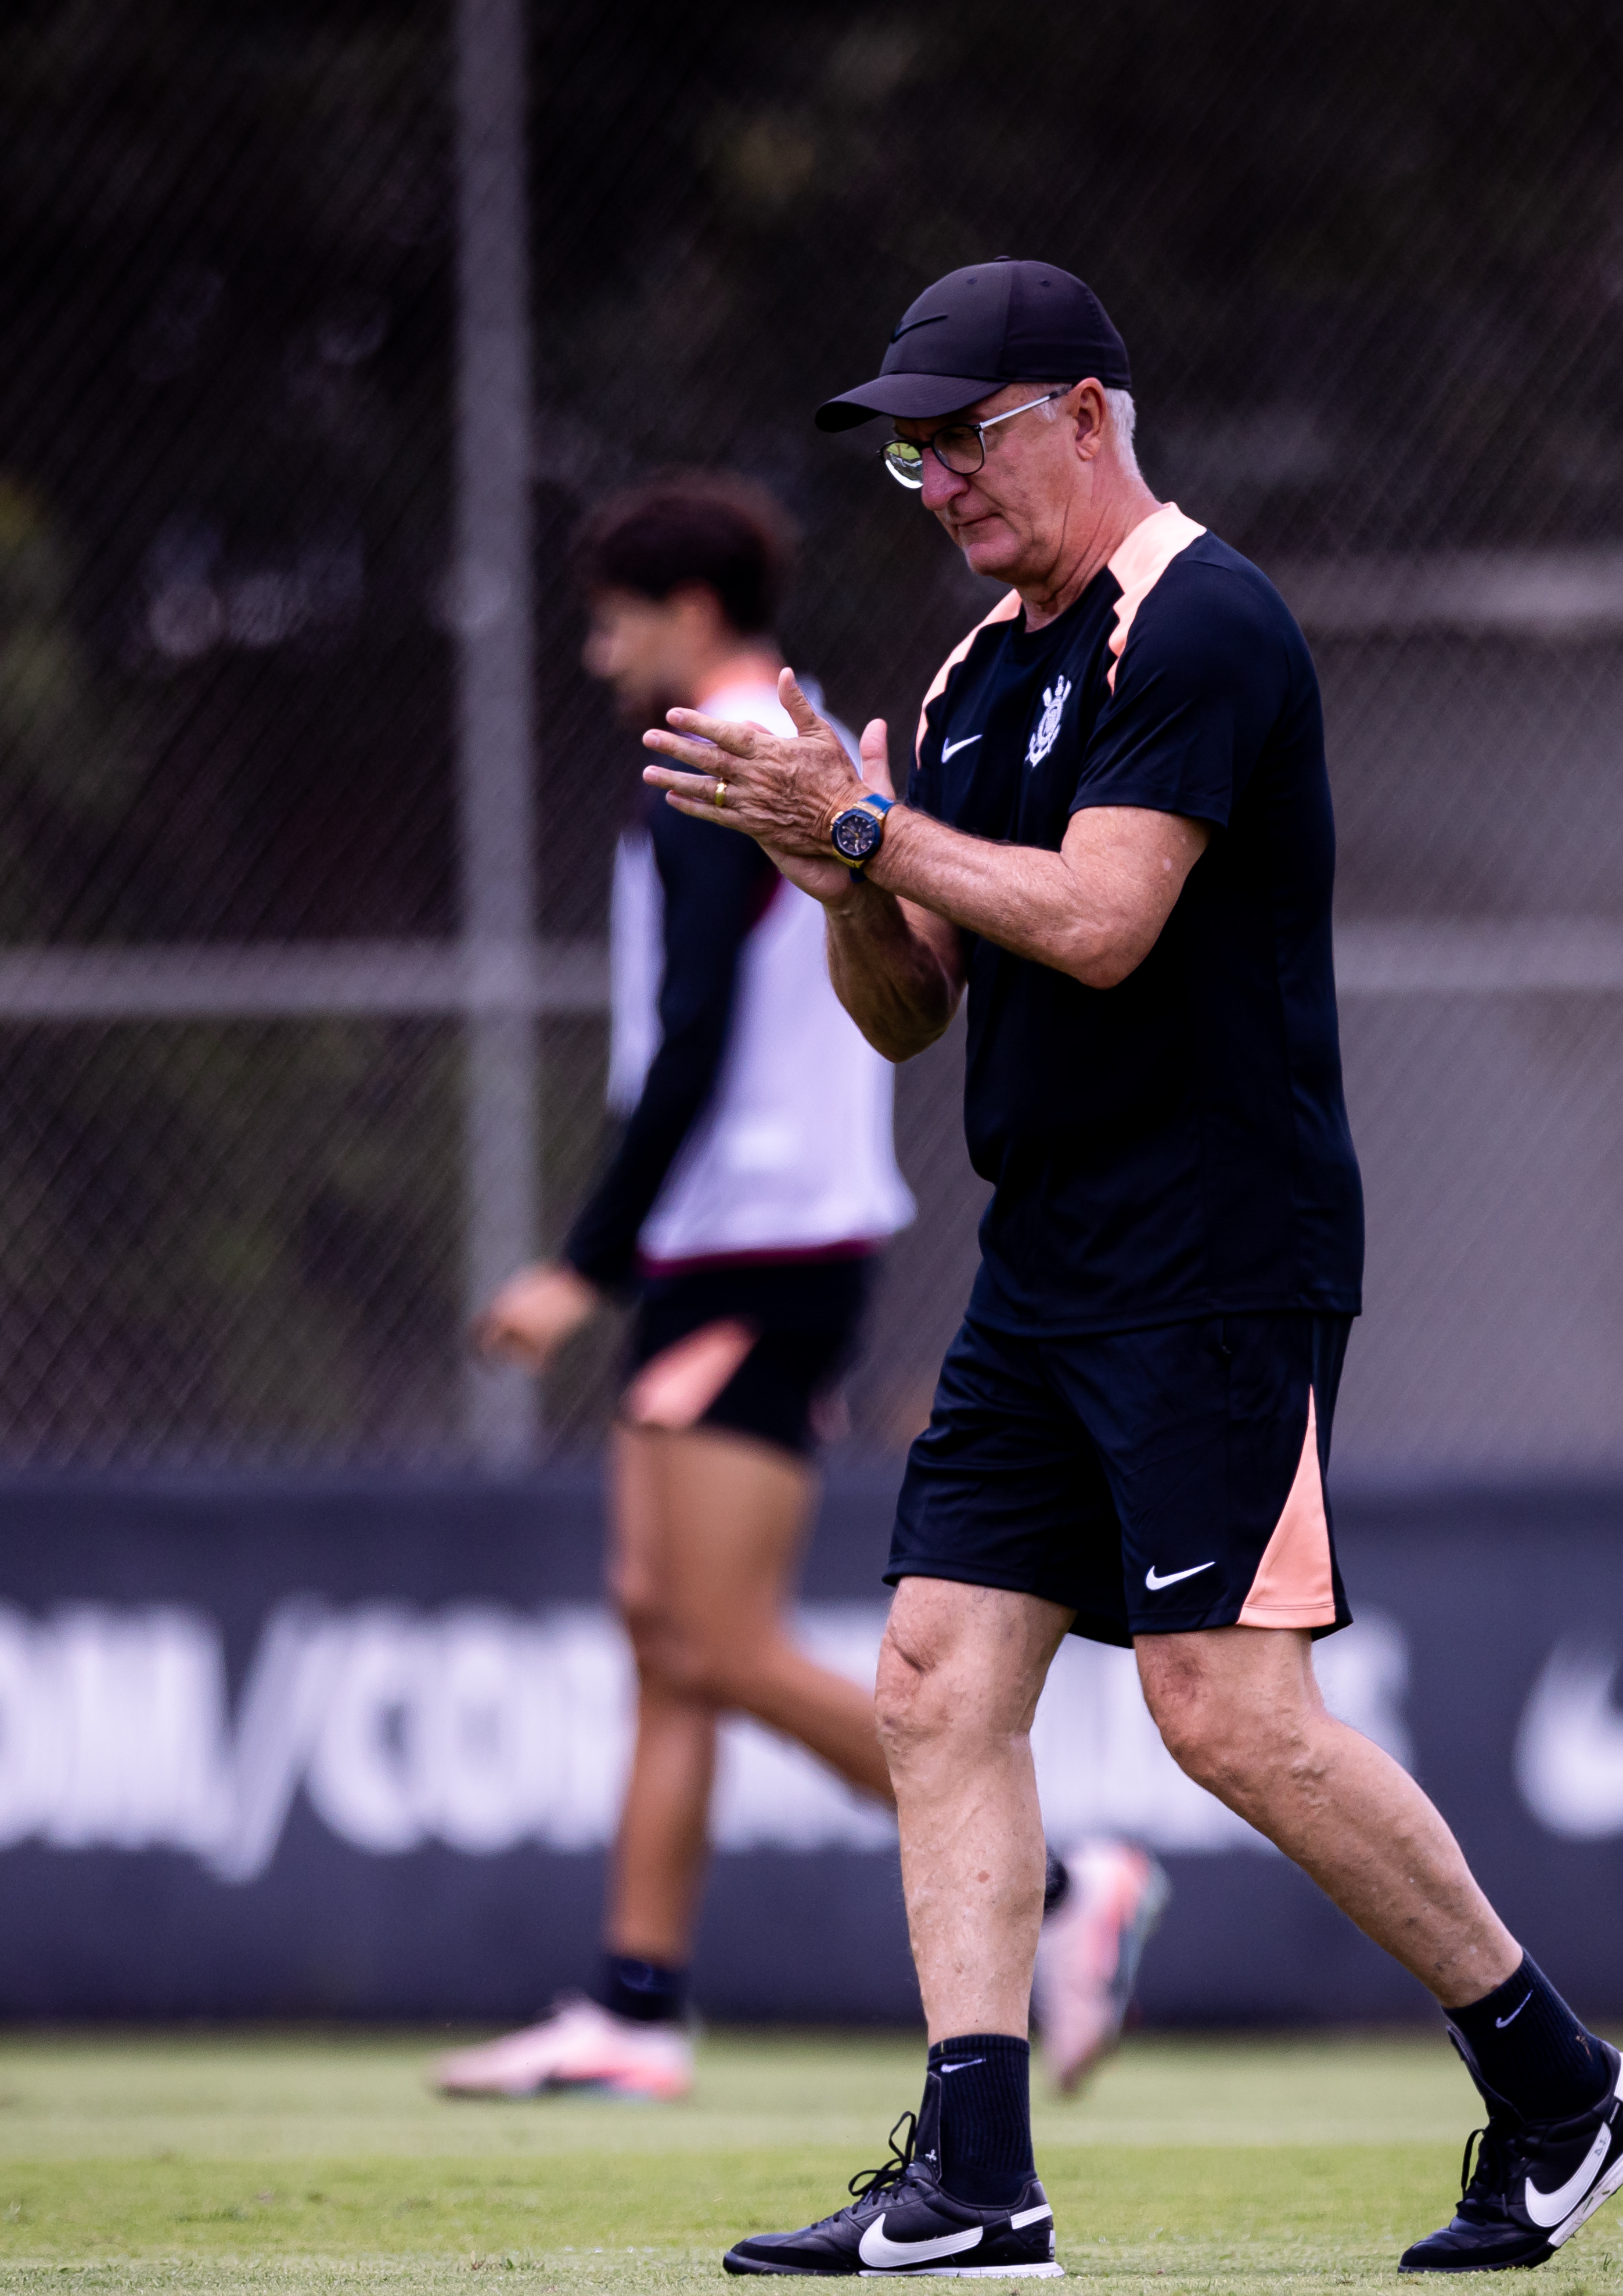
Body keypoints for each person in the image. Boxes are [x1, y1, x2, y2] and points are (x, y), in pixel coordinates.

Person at [637, 265, 1623, 2274]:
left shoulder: (1201, 621)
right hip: (1044, 1252)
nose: (939, 479)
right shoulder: (974, 672)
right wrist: (838, 872)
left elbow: (1105, 921)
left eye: (967, 435)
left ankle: (1562, 2083)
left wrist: (866, 826)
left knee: (1224, 1709)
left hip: (1213, 1247)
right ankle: (974, 2180)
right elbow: (910, 1007)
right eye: (914, 454)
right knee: (934, 1680)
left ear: (1086, 413)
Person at [442, 474, 1171, 2105]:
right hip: (725, 1243)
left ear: (690, 610)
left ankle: (1069, 1889)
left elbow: (694, 1029)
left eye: (614, 619)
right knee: (666, 1636)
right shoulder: (784, 736)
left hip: (758, 1248)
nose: (596, 651)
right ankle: (635, 2004)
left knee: (713, 1636)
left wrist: (580, 1265)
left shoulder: (736, 748)